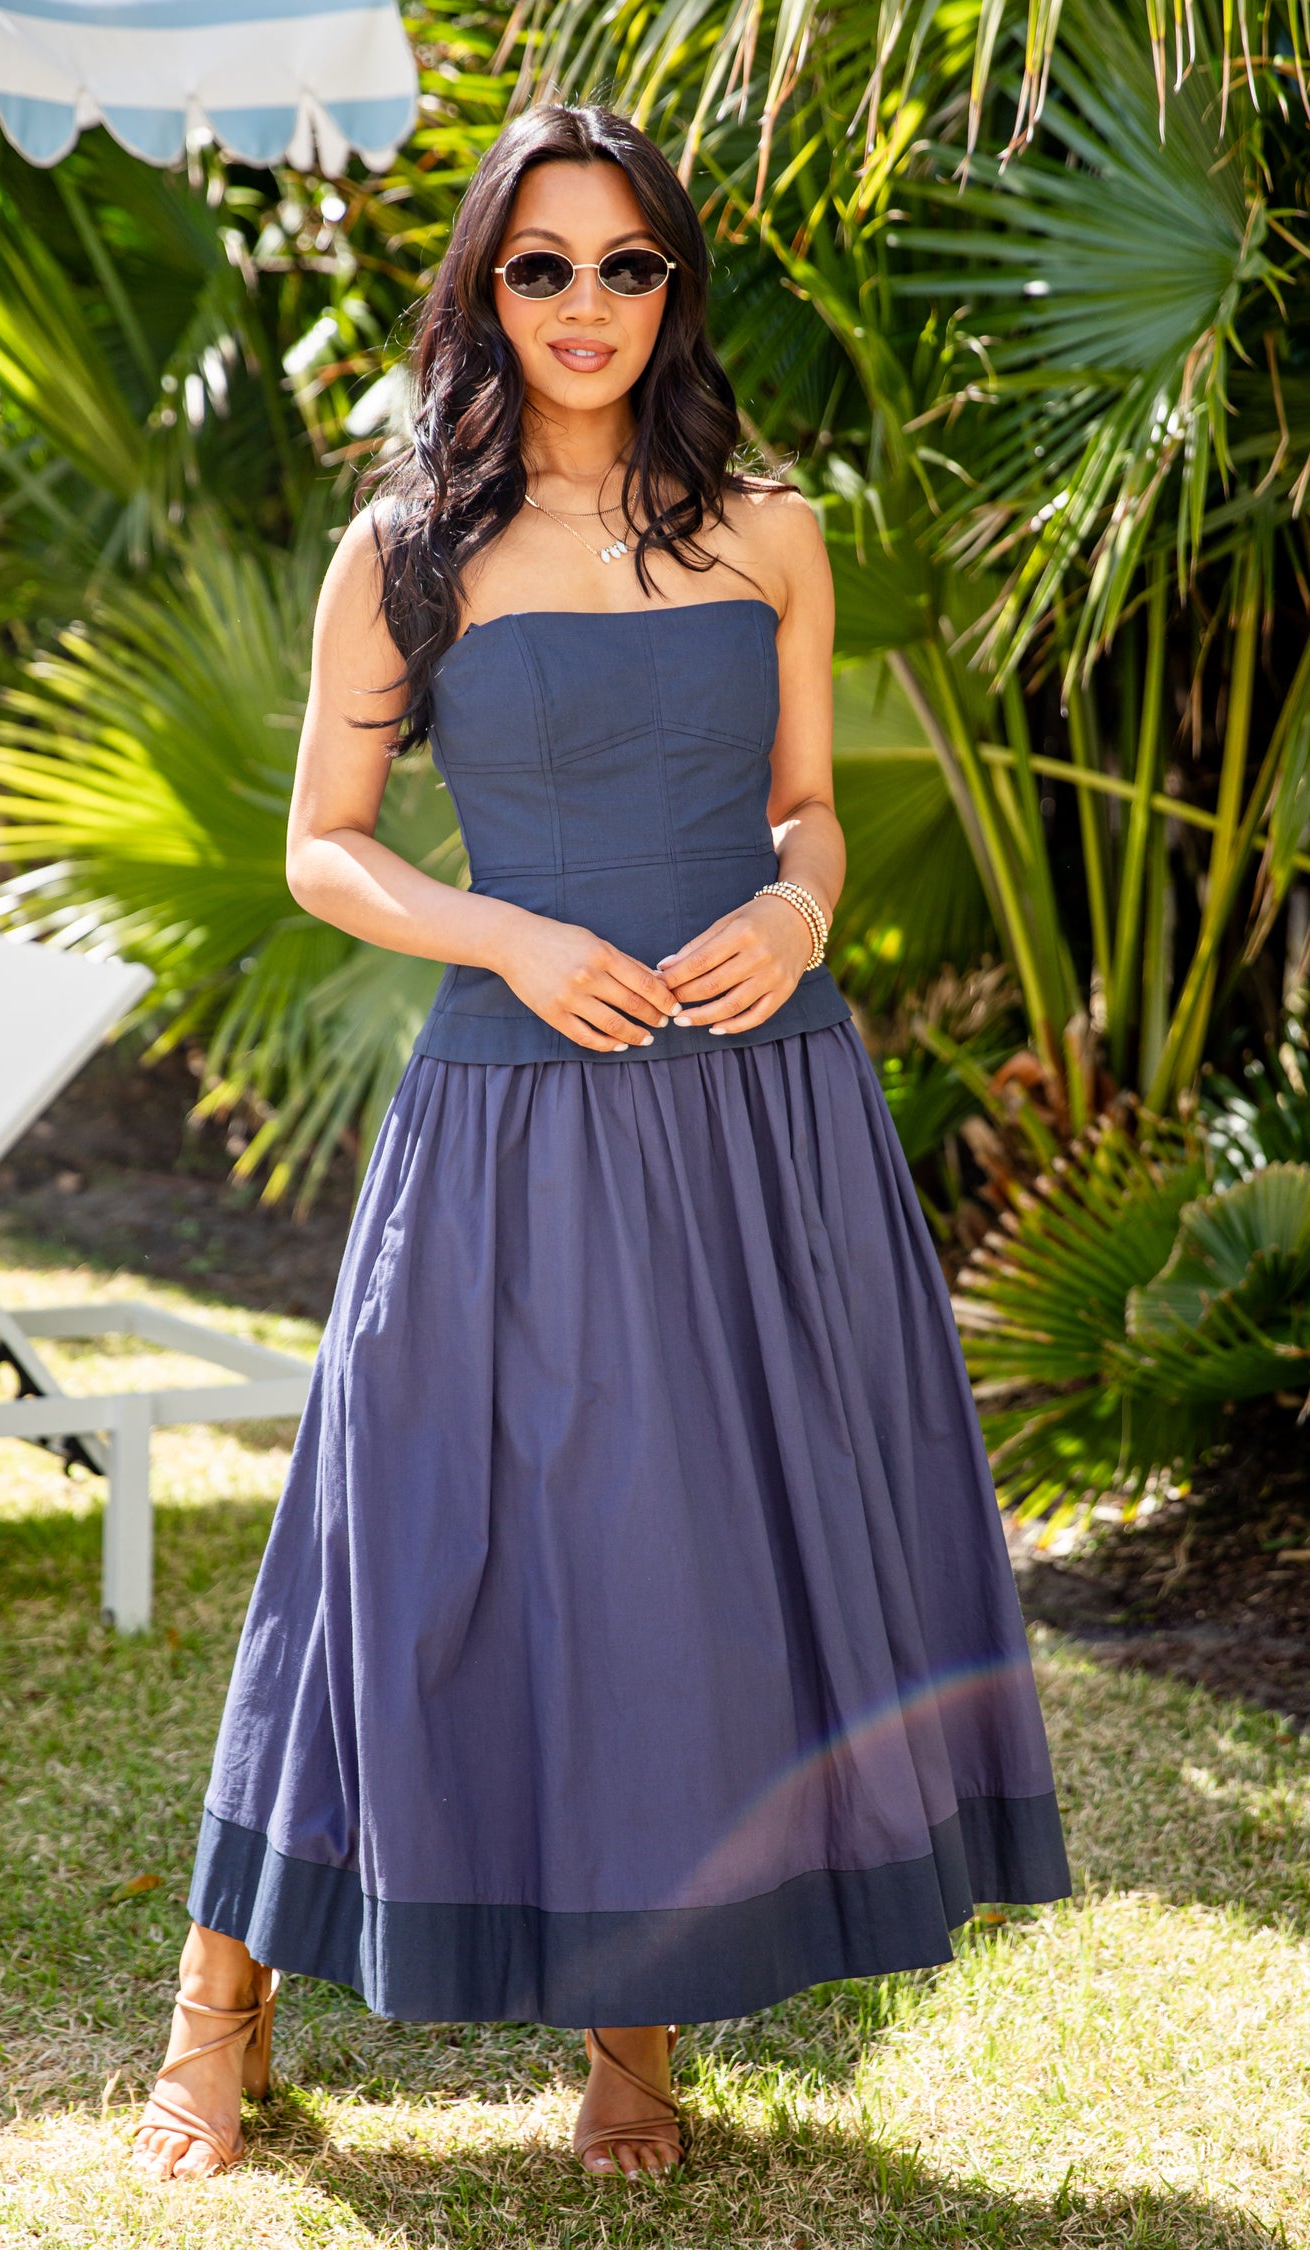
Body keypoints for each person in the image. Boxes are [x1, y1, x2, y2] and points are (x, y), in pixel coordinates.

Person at [131, 100, 1070, 2189]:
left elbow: (809, 805)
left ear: (675, 288)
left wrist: (799, 901)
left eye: (624, 263)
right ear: (484, 287)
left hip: (756, 1100)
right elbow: (323, 850)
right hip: (514, 1101)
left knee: (673, 1560)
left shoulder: (770, 527)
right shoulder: (405, 553)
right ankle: (222, 2008)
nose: (582, 304)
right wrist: (516, 938)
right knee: (393, 1536)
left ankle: (631, 2046)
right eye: (539, 265)